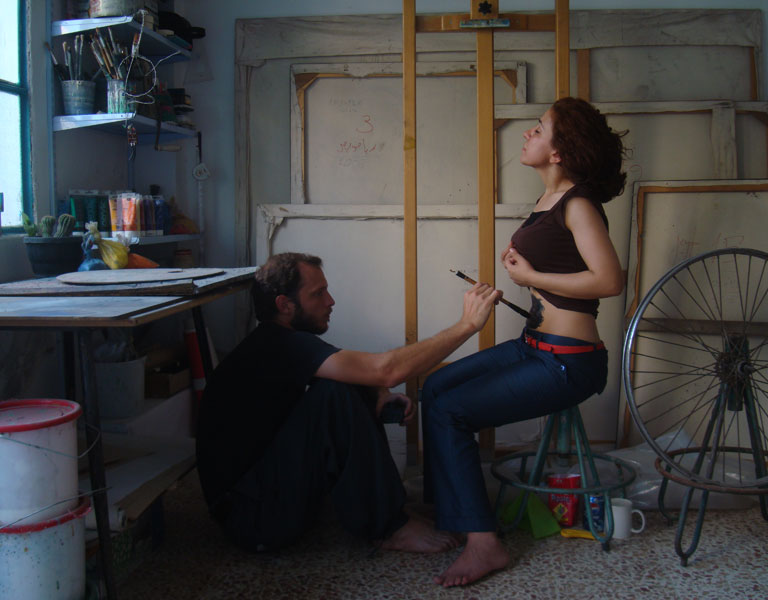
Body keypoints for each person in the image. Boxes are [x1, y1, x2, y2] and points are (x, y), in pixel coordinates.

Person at [422, 96, 627, 587]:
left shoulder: (578, 203)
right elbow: (556, 266)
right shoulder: (548, 201)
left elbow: (609, 280)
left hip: (568, 362)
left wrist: (531, 275)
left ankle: (483, 543)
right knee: (433, 387)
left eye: (539, 128)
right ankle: (452, 513)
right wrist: (523, 269)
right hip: (534, 345)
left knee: (450, 410)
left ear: (559, 151)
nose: (527, 134)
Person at [196, 252, 501, 554]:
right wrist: (467, 325)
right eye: (318, 293)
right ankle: (389, 527)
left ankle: (390, 510)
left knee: (349, 383)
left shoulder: (277, 341)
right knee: (336, 393)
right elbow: (387, 370)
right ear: (285, 305)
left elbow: (358, 372)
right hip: (251, 520)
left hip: (256, 500)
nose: (330, 301)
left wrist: (376, 392)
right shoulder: (281, 345)